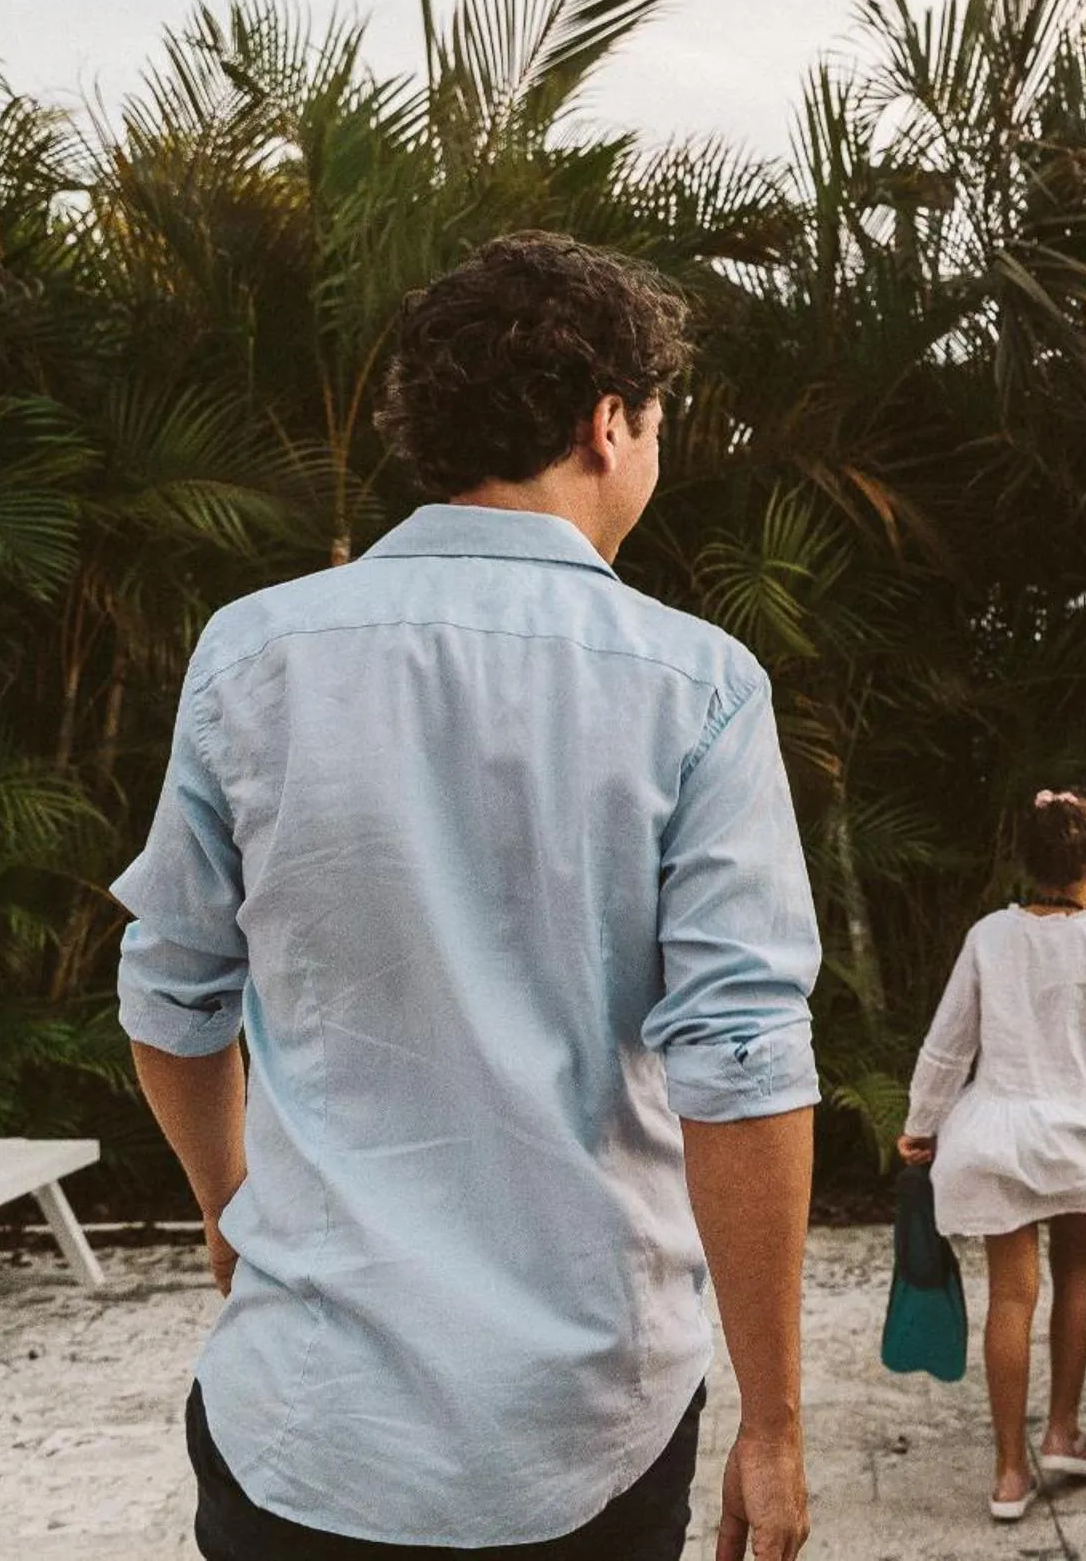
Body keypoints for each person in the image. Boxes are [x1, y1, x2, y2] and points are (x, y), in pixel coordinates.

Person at [115, 233, 820, 1561]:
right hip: (585, 1429)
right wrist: (774, 1420)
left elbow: (168, 992)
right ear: (608, 424)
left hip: (307, 1421)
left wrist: (231, 1204)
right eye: (656, 422)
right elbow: (741, 1064)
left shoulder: (253, 654)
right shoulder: (700, 686)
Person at [896, 789, 1086, 1523]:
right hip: (1075, 1136)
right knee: (1077, 1271)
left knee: (1010, 1296)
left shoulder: (988, 938)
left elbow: (950, 1040)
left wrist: (921, 1122)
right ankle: (1062, 1429)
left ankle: (1007, 1473)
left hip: (995, 1130)